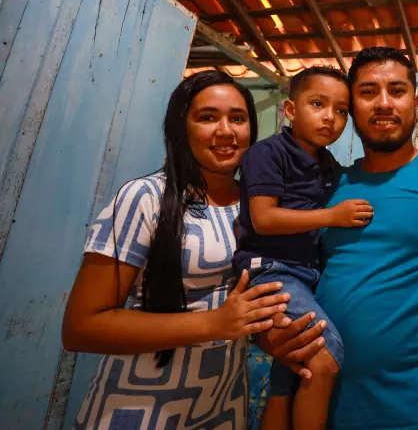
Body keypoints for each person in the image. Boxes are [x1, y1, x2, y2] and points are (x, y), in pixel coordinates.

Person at [260, 47, 418, 430]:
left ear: (415, 102)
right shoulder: (325, 188)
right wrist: (267, 340)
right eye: (369, 92)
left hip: (411, 416)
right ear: (351, 107)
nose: (384, 103)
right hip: (313, 409)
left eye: (397, 90)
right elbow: (283, 275)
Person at [62, 70, 290, 429]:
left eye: (238, 118)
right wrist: (213, 323)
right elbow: (81, 327)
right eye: (208, 117)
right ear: (180, 128)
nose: (226, 131)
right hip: (141, 411)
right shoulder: (145, 198)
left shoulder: (258, 205)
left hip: (225, 406)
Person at [232, 66, 373, 430]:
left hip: (307, 273)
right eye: (317, 104)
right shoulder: (267, 153)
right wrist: (333, 216)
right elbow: (264, 218)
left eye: (341, 111)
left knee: (289, 376)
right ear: (290, 110)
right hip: (271, 269)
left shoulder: (329, 166)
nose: (330, 117)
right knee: (324, 357)